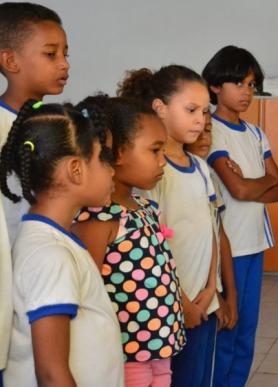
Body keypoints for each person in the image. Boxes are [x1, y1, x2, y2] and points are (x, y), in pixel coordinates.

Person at [0, 100, 123, 387]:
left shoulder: (52, 241)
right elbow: (52, 375)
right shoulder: (50, 255)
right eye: (102, 158)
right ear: (76, 170)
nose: (113, 170)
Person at [71, 95, 187, 387]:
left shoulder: (146, 208)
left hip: (160, 345)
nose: (163, 161)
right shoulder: (99, 220)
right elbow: (85, 296)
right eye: (155, 150)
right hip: (127, 352)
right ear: (118, 153)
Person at [118, 65, 220, 387]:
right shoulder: (152, 174)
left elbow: (212, 230)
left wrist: (211, 289)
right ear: (160, 108)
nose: (200, 120)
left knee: (199, 378)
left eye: (204, 112)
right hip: (168, 307)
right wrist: (184, 303)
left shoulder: (202, 168)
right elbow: (154, 249)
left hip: (204, 301)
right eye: (191, 110)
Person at [203, 45, 278, 387]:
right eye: (238, 83)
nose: (246, 92)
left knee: (247, 331)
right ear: (215, 86)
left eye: (252, 84)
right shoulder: (210, 131)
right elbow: (237, 191)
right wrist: (261, 183)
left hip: (255, 244)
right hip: (228, 246)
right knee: (227, 329)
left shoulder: (256, 134)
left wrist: (254, 183)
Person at [0, 4, 69, 382]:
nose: (63, 64)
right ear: (10, 60)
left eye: (65, 53)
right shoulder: (2, 127)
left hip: (39, 287)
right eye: (50, 54)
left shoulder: (58, 126)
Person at [187, 115, 240, 332]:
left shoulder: (205, 172)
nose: (204, 138)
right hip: (190, 297)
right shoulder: (164, 177)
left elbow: (217, 235)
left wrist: (225, 293)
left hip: (208, 293)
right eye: (196, 131)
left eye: (208, 130)